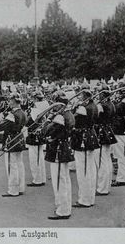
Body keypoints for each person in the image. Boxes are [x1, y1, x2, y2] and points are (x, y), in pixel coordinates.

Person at [45, 90, 75, 220]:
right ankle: (65, 207)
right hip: (64, 147)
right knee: (64, 179)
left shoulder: (60, 116)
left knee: (59, 181)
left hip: (57, 148)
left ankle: (62, 209)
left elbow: (47, 131)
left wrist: (48, 120)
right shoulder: (69, 113)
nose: (53, 105)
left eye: (55, 103)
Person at [70, 81, 100, 208]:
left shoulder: (83, 108)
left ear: (84, 95)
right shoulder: (94, 105)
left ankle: (85, 199)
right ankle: (89, 197)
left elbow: (72, 120)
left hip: (82, 138)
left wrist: (75, 107)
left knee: (83, 170)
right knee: (90, 169)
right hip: (90, 136)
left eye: (81, 94)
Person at [0, 93, 27, 197]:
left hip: (11, 140)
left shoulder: (12, 114)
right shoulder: (23, 112)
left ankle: (13, 189)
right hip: (19, 139)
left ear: (14, 101)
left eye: (10, 100)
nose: (9, 102)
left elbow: (2, 126)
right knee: (20, 164)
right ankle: (21, 187)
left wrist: (1, 118)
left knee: (11, 165)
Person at [95, 81, 117, 195]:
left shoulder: (101, 106)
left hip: (101, 132)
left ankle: (102, 188)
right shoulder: (111, 104)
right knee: (107, 160)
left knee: (102, 161)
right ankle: (106, 186)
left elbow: (95, 117)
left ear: (102, 95)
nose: (97, 95)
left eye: (99, 93)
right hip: (108, 130)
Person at [25, 91, 46, 187]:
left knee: (34, 158)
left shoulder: (35, 109)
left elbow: (29, 122)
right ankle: (41, 177)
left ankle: (37, 179)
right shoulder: (44, 106)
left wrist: (27, 115)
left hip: (34, 135)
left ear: (36, 99)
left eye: (33, 98)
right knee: (40, 157)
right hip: (39, 134)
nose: (32, 100)